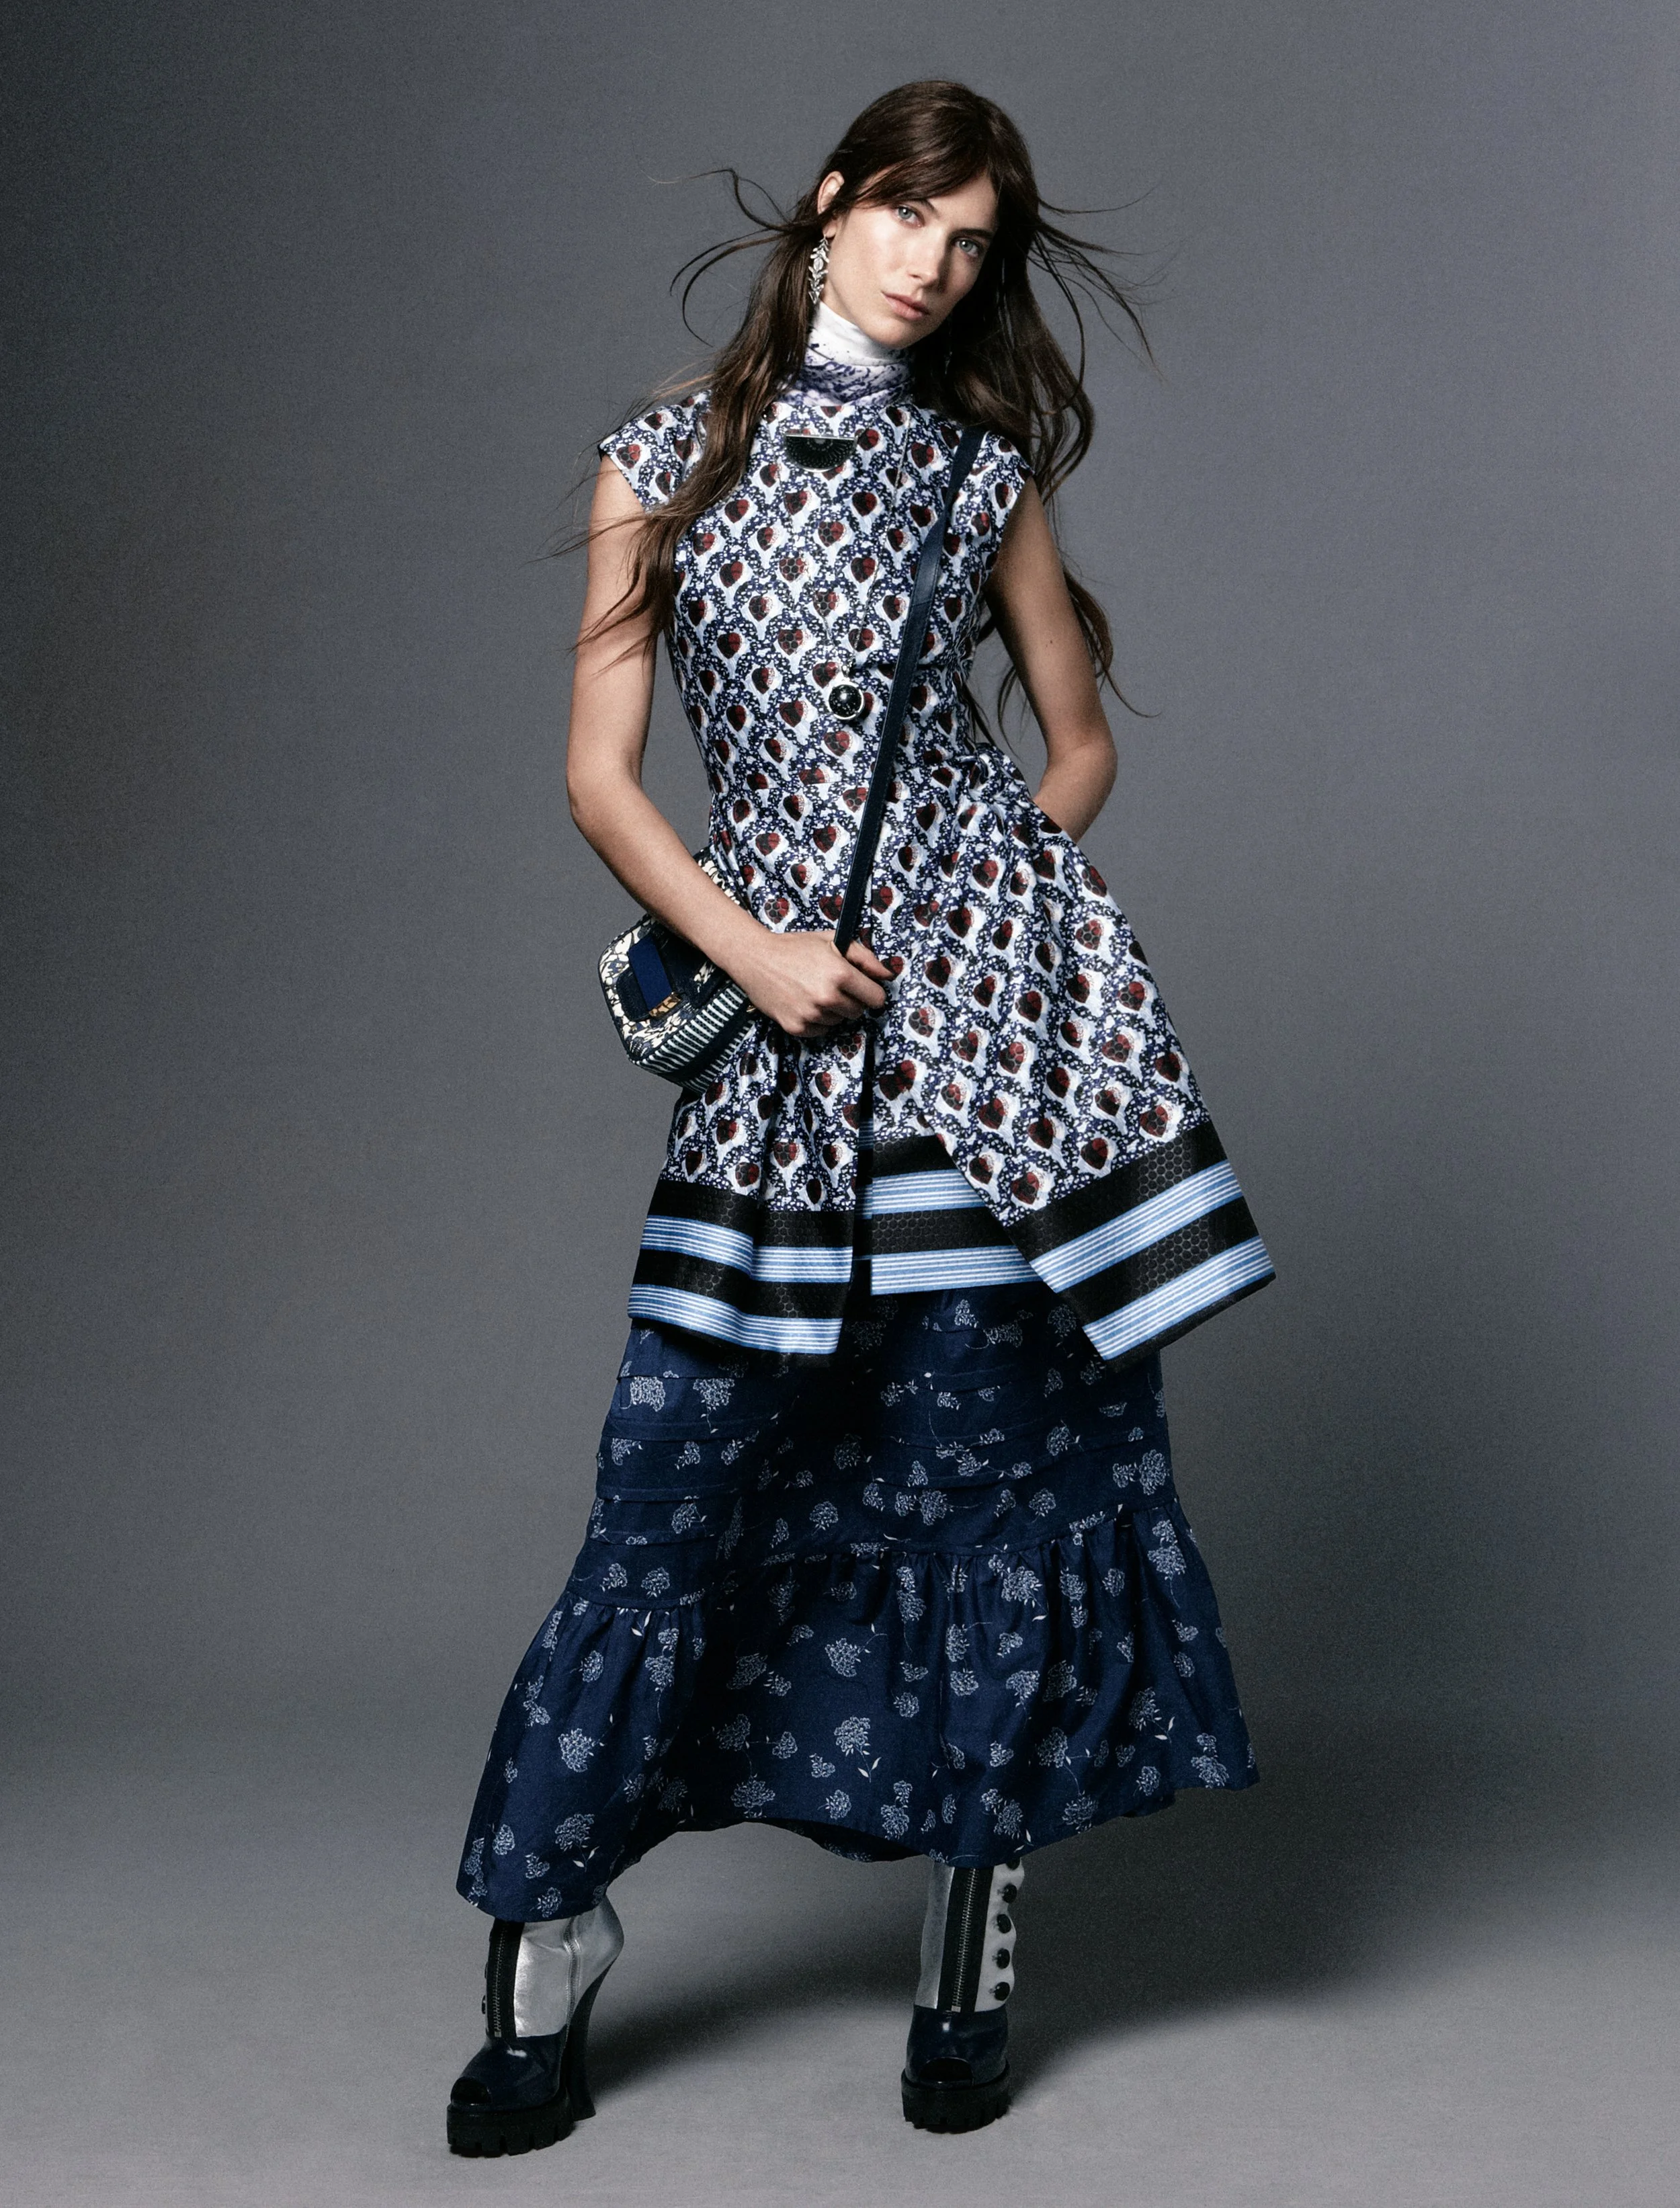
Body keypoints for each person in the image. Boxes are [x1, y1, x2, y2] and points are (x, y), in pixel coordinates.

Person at [446, 79, 1273, 2156]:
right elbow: (599, 779)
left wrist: (994, 908)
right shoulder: (663, 460)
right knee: (669, 1491)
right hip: (780, 1054)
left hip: (980, 1064)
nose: (936, 263)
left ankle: (964, 1950)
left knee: (988, 1495)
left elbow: (1068, 748)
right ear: (832, 202)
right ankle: (540, 1960)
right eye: (914, 213)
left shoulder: (977, 468)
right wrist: (751, 950)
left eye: (975, 240)